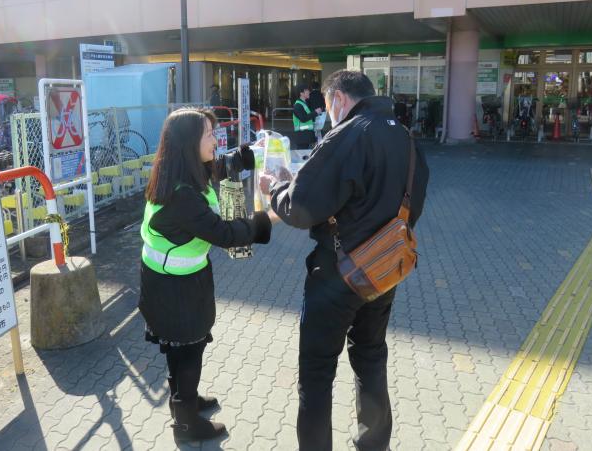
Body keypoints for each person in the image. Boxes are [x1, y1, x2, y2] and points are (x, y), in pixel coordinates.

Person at [260, 70, 429, 451]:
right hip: (385, 270)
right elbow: (414, 198)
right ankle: (374, 444)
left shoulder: (348, 134)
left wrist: (275, 188)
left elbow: (300, 208)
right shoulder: (405, 136)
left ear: (337, 99)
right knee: (371, 357)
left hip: (338, 275)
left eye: (327, 105)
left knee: (317, 372)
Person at [139, 108, 272, 443]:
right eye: (209, 135)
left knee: (181, 351)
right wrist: (266, 218)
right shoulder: (182, 195)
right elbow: (224, 233)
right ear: (188, 143)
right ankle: (186, 425)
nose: (216, 140)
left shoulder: (179, 172)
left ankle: (185, 399)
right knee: (188, 353)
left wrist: (236, 161)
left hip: (176, 283)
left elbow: (214, 171)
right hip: (174, 292)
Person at [292, 83, 321, 150]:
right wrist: (315, 112)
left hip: (305, 136)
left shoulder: (304, 103)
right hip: (302, 137)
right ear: (301, 93)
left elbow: (308, 118)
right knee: (302, 156)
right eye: (306, 90)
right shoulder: (298, 105)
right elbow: (303, 118)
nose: (309, 92)